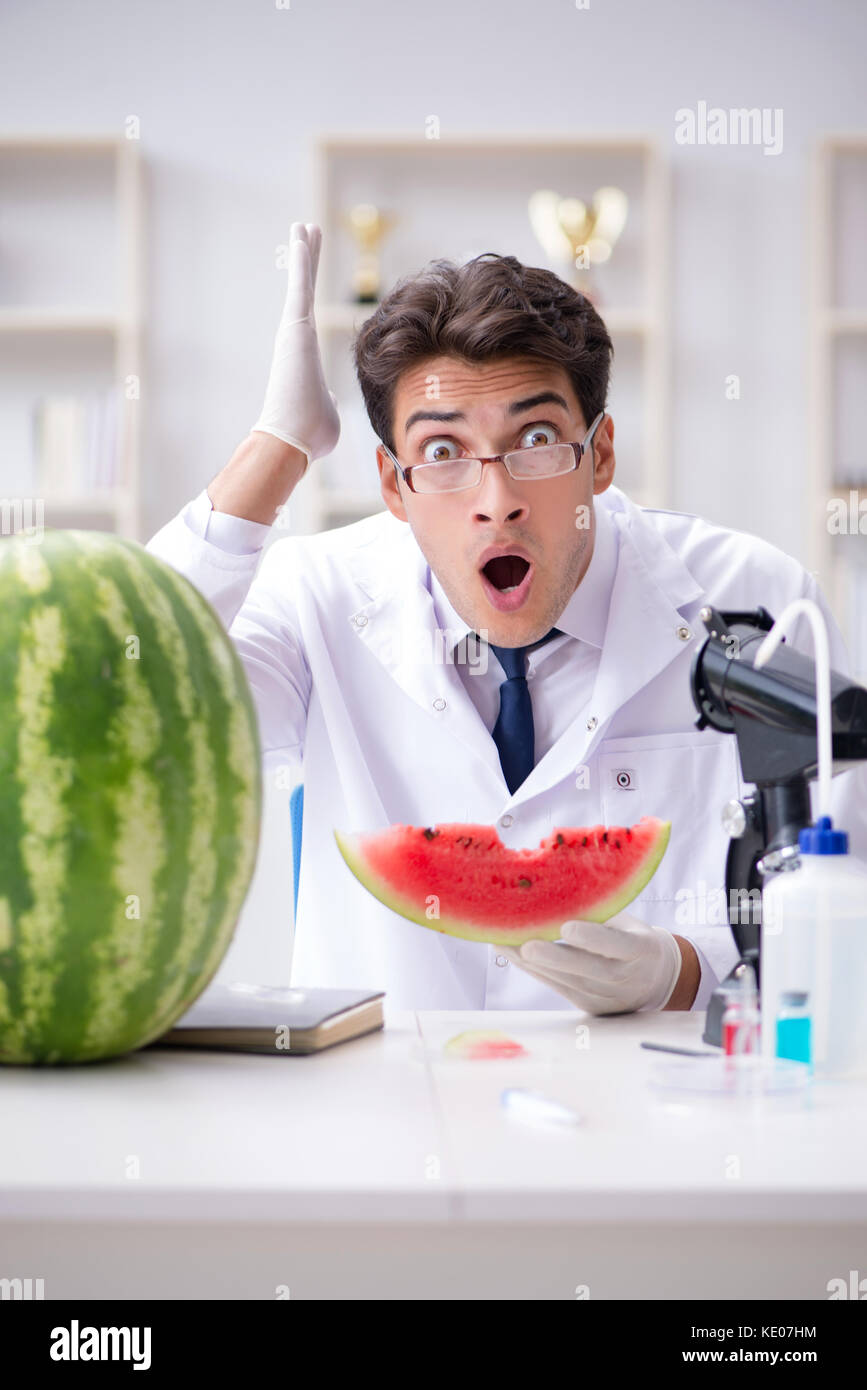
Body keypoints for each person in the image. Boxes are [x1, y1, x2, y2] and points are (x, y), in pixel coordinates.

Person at [147, 222, 866, 1015]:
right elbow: (131, 691)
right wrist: (278, 446)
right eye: (443, 451)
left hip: (662, 1120)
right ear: (393, 485)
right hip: (377, 1116)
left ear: (598, 455)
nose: (497, 504)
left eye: (535, 439)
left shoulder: (755, 596)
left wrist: (684, 973)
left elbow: (846, 891)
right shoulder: (312, 595)